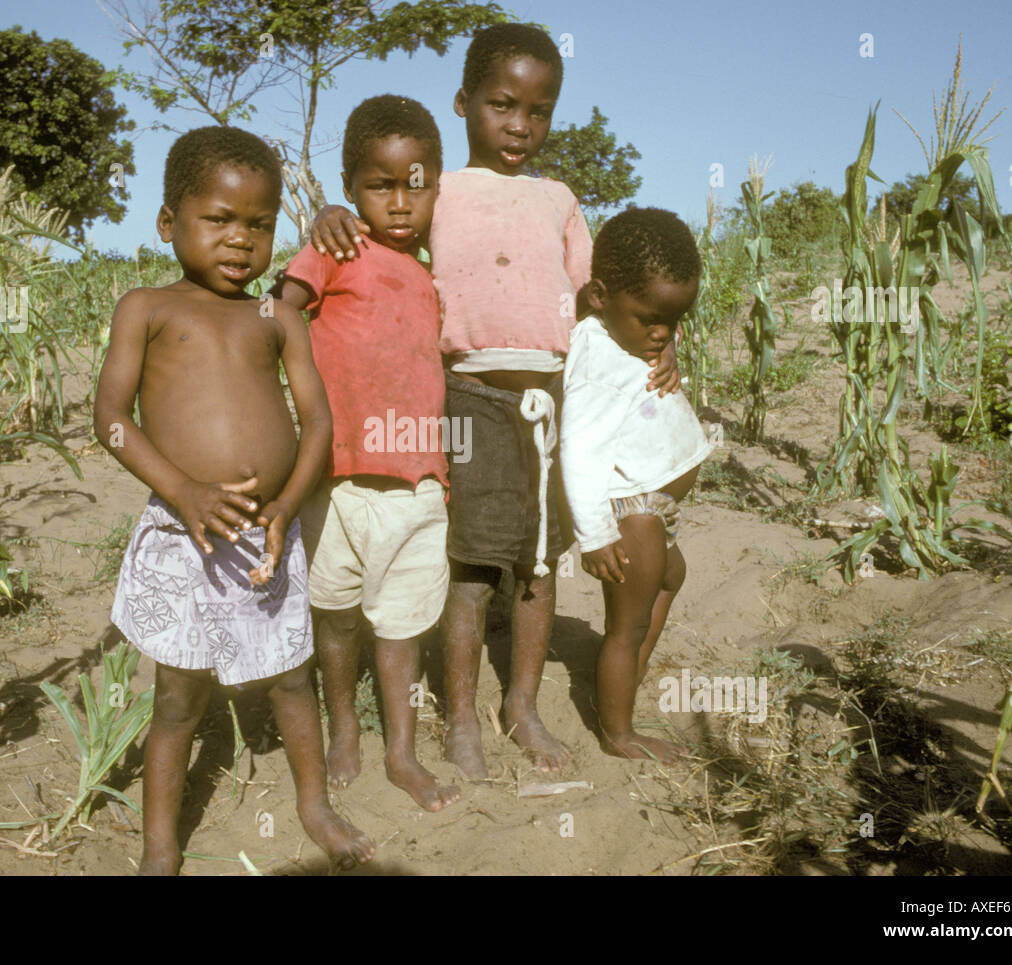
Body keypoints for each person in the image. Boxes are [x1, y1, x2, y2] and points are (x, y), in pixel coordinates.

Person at [308, 24, 682, 778]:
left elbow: (600, 301)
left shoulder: (559, 200)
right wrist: (328, 216)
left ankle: (522, 706)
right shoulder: (438, 194)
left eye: (540, 110)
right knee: (472, 571)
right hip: (469, 396)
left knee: (538, 567)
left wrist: (663, 341)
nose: (520, 125)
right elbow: (383, 239)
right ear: (463, 103)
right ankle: (460, 724)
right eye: (502, 105)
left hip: (551, 405)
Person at [94, 126, 374, 874]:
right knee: (178, 699)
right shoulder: (146, 307)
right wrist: (182, 490)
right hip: (185, 534)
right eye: (218, 219)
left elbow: (318, 421)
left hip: (265, 534)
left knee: (290, 675)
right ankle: (160, 845)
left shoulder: (276, 318)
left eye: (258, 223)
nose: (240, 240)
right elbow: (111, 421)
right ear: (168, 223)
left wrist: (285, 506)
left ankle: (312, 804)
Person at [275, 95, 460, 812]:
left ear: (437, 184)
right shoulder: (335, 246)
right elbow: (280, 311)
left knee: (403, 624)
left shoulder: (434, 270)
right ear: (351, 188)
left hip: (417, 484)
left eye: (418, 182)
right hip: (337, 480)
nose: (402, 201)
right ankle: (344, 724)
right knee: (335, 612)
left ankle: (402, 752)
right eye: (381, 186)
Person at [560, 207, 711, 763]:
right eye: (651, 318)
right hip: (633, 510)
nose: (663, 332)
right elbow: (578, 452)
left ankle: (625, 680)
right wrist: (596, 534)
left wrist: (663, 349)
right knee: (627, 624)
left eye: (675, 321)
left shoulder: (629, 340)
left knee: (671, 578)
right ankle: (618, 733)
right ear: (599, 295)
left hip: (654, 505)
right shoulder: (599, 360)